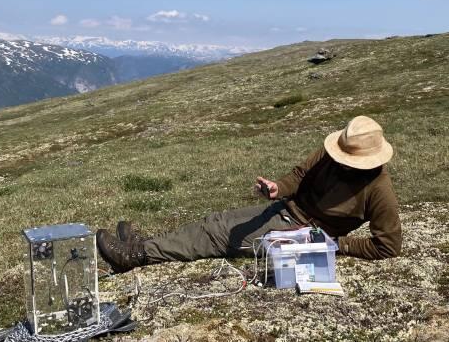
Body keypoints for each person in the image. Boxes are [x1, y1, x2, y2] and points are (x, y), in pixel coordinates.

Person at [97, 116, 402, 273]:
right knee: (216, 221)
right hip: (285, 210)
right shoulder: (330, 153)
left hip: (302, 234)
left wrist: (336, 244)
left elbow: (388, 246)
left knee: (216, 235)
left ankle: (135, 256)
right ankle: (148, 245)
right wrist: (276, 189)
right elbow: (298, 176)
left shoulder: (379, 189)